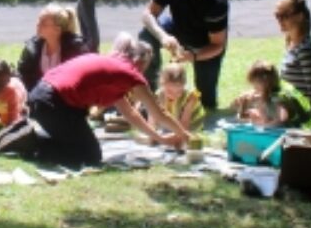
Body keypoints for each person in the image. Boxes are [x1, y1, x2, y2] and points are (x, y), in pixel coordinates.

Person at [17, 33, 192, 168]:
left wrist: (159, 138)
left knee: (82, 147)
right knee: (89, 156)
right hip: (54, 102)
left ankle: (29, 138)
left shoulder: (114, 68)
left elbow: (131, 113)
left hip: (42, 97)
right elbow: (159, 114)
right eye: (144, 67)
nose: (143, 72)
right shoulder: (129, 73)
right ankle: (31, 143)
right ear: (138, 61)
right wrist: (185, 135)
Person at [138, 0, 229, 113]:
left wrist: (192, 56)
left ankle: (200, 103)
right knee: (146, 35)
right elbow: (147, 14)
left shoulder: (216, 0)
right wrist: (163, 36)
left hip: (205, 44)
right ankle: (150, 96)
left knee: (206, 102)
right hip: (177, 29)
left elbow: (217, 45)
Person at [15, 3, 88, 93]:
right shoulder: (31, 48)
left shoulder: (75, 49)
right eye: (38, 20)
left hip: (67, 101)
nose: (38, 25)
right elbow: (22, 76)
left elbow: (82, 80)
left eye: (43, 23)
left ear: (57, 29)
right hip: (37, 99)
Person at [231, 60, 311, 129]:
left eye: (255, 85)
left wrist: (262, 126)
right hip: (299, 126)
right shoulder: (276, 87)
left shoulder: (279, 98)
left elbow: (281, 120)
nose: (254, 88)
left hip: (305, 130)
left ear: (265, 83)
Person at [275, 0, 311, 115]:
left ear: (300, 16)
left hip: (301, 123)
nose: (279, 20)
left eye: (284, 16)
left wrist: (289, 112)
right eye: (277, 16)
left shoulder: (306, 50)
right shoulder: (291, 45)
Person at [150, 63, 207, 133]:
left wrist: (178, 136)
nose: (174, 95)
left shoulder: (191, 97)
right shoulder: (159, 95)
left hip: (191, 124)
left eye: (179, 91)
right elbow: (152, 115)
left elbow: (185, 122)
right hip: (174, 121)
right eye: (169, 91)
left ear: (184, 85)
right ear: (162, 84)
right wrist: (152, 132)